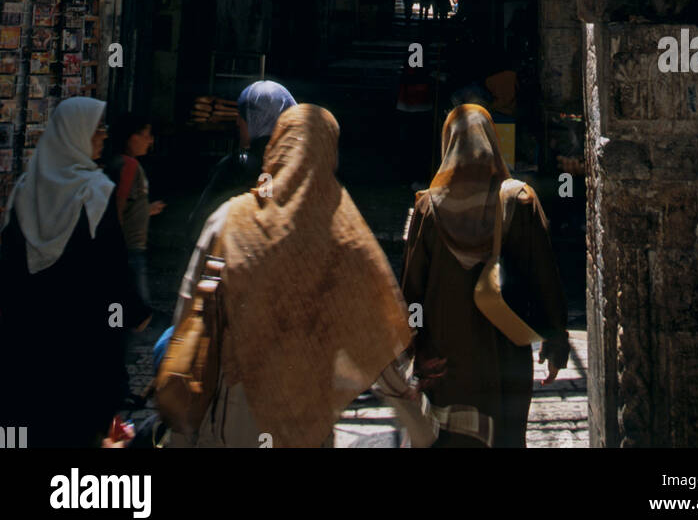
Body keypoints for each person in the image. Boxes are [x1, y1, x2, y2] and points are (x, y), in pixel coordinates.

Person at [165, 104, 414, 447]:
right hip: (308, 414)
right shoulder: (346, 236)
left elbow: (189, 310)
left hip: (235, 408)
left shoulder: (230, 220)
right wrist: (411, 403)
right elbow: (376, 330)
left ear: (275, 147)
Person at [401, 103, 569, 448]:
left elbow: (412, 292)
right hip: (506, 354)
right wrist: (555, 339)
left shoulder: (427, 209)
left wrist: (415, 349)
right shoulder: (520, 201)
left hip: (447, 360)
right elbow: (545, 277)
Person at [0, 97, 151, 447]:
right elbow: (113, 275)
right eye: (96, 129)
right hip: (79, 347)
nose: (102, 137)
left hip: (25, 344)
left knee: (22, 431)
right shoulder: (95, 195)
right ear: (74, 135)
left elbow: (8, 267)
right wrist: (134, 314)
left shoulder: (25, 190)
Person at [187, 79, 296, 237]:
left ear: (256, 119)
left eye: (243, 116)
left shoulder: (239, 165)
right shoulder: (297, 166)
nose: (237, 122)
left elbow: (200, 222)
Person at [107, 112, 165, 304]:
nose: (150, 140)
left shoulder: (123, 163)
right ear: (132, 136)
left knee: (121, 307)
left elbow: (127, 207)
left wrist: (145, 209)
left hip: (127, 249)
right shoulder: (129, 165)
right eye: (146, 135)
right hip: (128, 250)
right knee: (134, 310)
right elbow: (118, 206)